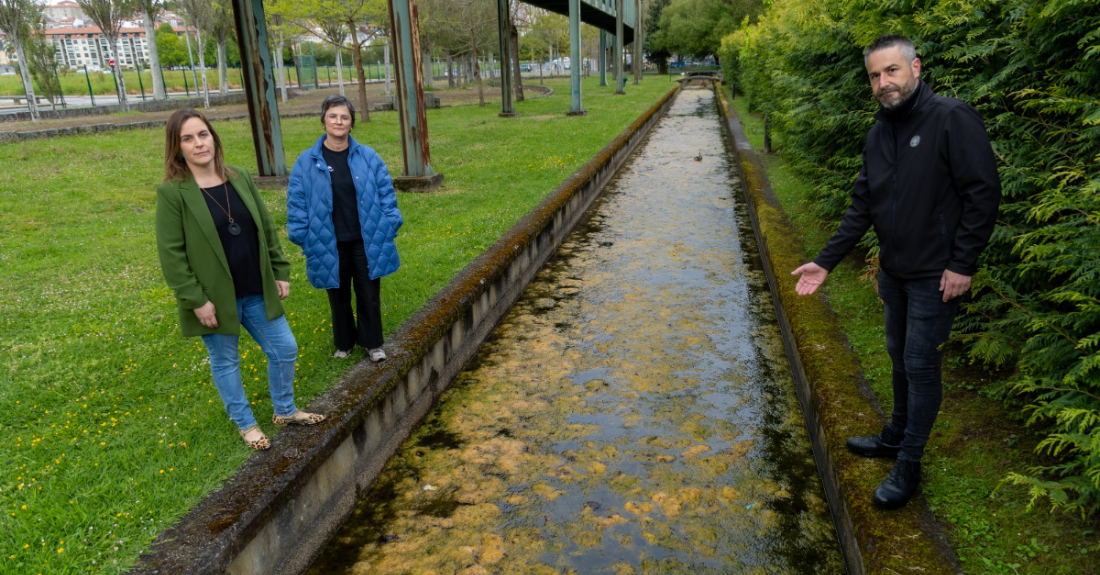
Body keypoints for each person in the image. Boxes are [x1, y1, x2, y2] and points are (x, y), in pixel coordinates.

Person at [791, 34, 1001, 509]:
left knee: (921, 365)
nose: (883, 82)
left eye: (891, 71)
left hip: (936, 276)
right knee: (898, 356)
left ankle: (909, 463)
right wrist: (825, 261)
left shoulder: (952, 118)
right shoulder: (878, 133)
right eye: (874, 75)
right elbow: (862, 205)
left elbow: (982, 193)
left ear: (916, 69)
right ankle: (895, 434)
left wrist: (962, 264)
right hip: (895, 273)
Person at [156, 108, 325, 451]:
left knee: (284, 348)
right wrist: (196, 300)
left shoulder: (239, 177)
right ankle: (245, 423)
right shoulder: (174, 192)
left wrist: (278, 270)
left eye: (202, 134)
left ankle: (285, 410)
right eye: (187, 139)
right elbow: (171, 255)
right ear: (177, 148)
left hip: (255, 286)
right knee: (225, 360)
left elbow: (264, 227)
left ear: (213, 138)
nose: (198, 143)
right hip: (213, 297)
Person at [287, 95, 403, 362]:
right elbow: (296, 203)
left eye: (344, 117)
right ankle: (344, 342)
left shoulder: (368, 157)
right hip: (328, 241)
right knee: (338, 297)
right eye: (333, 116)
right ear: (324, 120)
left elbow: (386, 193)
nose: (338, 121)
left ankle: (372, 343)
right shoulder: (306, 162)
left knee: (368, 293)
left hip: (365, 239)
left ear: (351, 123)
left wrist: (389, 223)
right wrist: (303, 236)